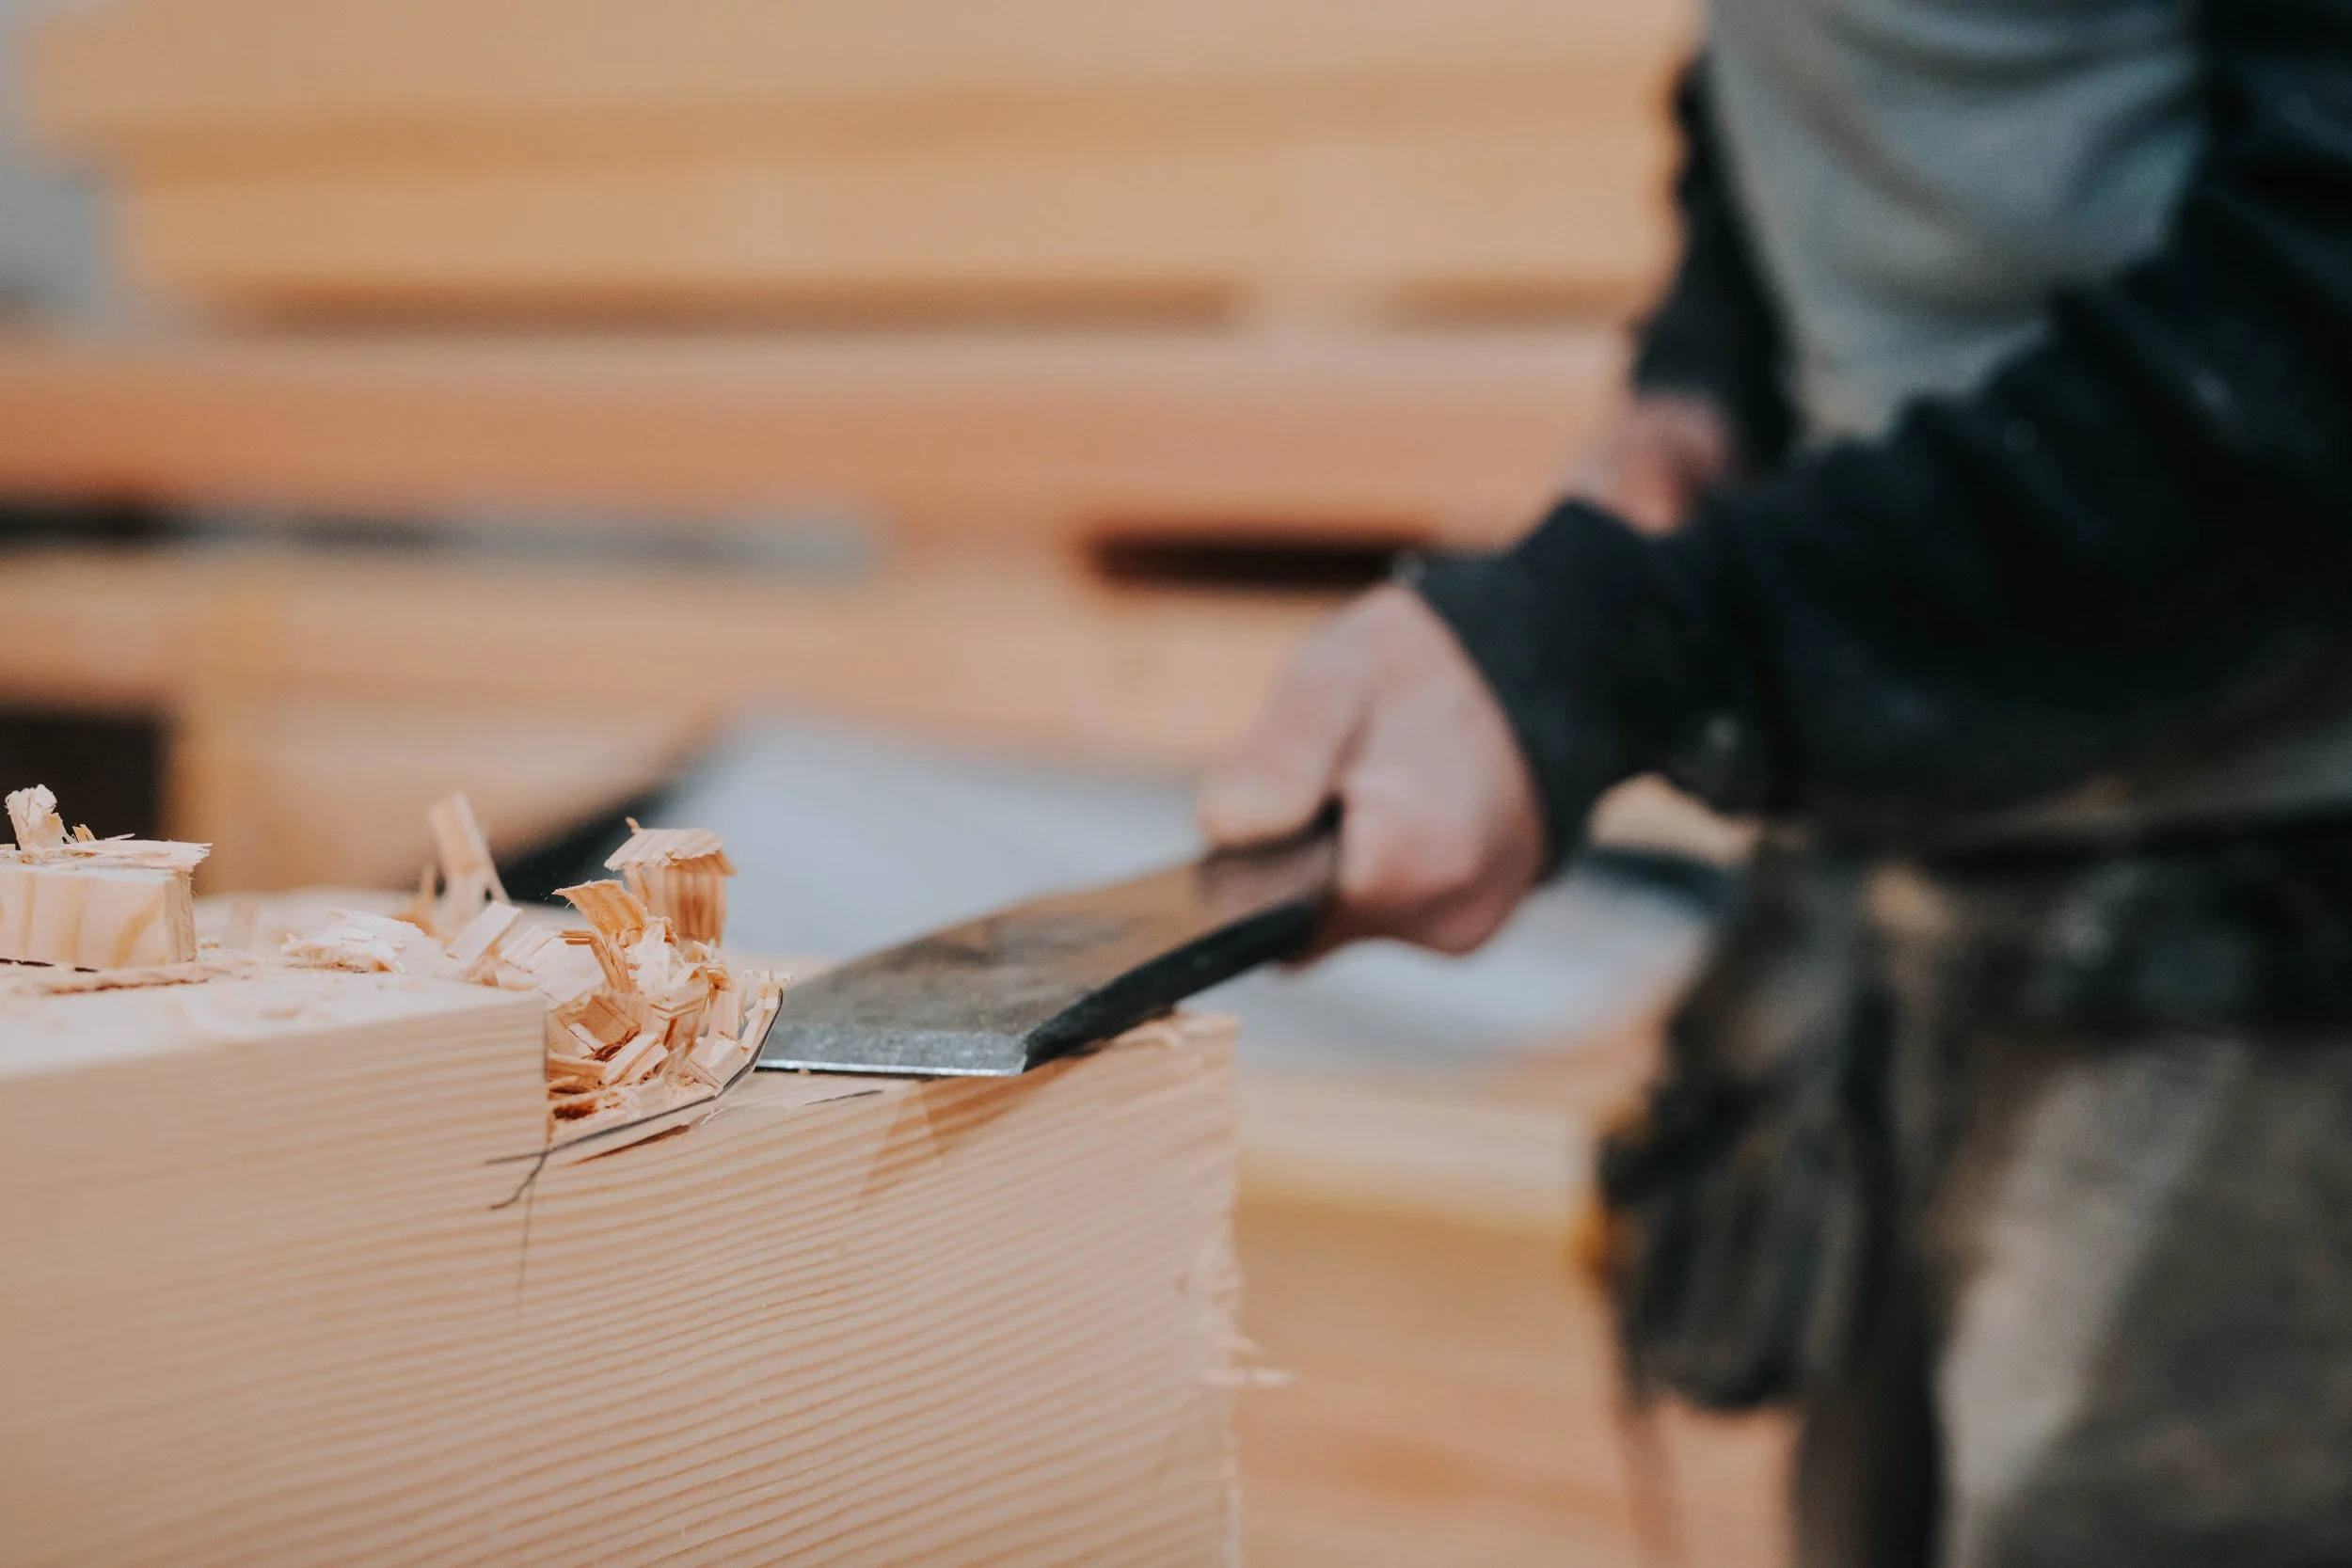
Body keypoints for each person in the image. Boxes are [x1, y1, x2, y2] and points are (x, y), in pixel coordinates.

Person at [1200, 3, 2352, 1563]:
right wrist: (1700, 388)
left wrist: (1634, 644)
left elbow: (2313, 319)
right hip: (1920, 840)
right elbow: (1816, 78)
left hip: (2268, 931)